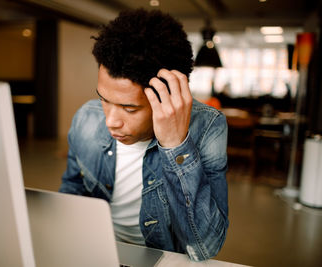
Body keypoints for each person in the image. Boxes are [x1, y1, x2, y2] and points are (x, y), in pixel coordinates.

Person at [59, 8, 228, 261]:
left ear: (168, 94)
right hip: (95, 249)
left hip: (160, 257)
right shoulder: (86, 117)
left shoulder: (208, 127)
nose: (111, 121)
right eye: (104, 99)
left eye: (129, 108)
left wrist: (175, 145)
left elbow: (204, 246)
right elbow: (72, 191)